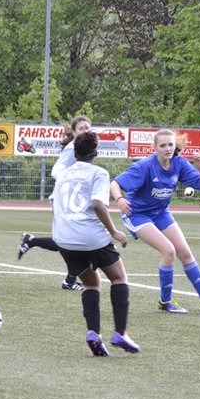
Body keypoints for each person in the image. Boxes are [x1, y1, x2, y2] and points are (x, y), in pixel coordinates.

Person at [110, 129, 200, 314]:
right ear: (155, 148)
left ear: (175, 146)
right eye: (163, 145)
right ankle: (165, 301)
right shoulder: (145, 166)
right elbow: (115, 184)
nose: (167, 148)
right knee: (169, 251)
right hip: (137, 213)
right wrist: (119, 199)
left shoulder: (179, 163)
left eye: (170, 145)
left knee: (185, 253)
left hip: (160, 212)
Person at [52, 131, 140, 356]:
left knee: (91, 284)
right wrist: (114, 232)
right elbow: (98, 204)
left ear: (75, 152)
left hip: (64, 237)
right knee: (119, 278)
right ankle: (120, 333)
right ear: (96, 152)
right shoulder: (99, 173)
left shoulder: (63, 174)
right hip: (90, 236)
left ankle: (93, 333)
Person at [17, 116, 94, 290]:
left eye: (88, 128)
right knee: (74, 240)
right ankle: (70, 280)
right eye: (82, 128)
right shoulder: (72, 148)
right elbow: (56, 171)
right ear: (74, 132)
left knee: (71, 240)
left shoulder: (84, 148)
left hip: (73, 201)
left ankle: (32, 242)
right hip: (64, 200)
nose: (86, 131)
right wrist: (71, 182)